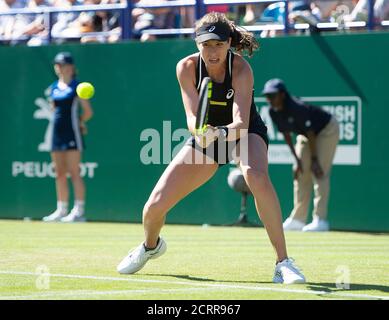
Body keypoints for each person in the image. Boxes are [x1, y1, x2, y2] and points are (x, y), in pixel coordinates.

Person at [117, 12, 305, 284]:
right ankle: (150, 246)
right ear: (197, 44)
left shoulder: (241, 69)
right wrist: (201, 134)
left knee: (256, 177)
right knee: (153, 207)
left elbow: (240, 122)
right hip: (206, 137)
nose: (212, 51)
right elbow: (192, 118)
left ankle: (283, 263)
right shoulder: (186, 68)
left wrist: (220, 132)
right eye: (206, 44)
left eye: (218, 44)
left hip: (244, 132)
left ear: (229, 43)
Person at [263, 79, 339, 232]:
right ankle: (298, 219)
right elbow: (286, 135)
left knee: (319, 172)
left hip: (326, 130)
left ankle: (320, 220)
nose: (269, 99)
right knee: (300, 172)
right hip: (305, 136)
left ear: (282, 95)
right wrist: (297, 160)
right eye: (267, 96)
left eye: (273, 95)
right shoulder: (273, 111)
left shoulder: (297, 108)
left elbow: (311, 133)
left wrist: (315, 160)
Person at [42, 52, 93, 223]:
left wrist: (79, 122)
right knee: (59, 173)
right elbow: (54, 110)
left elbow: (88, 112)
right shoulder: (54, 87)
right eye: (57, 65)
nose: (60, 68)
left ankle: (78, 211)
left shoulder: (77, 87)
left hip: (72, 133)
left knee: (74, 172)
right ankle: (61, 209)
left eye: (63, 64)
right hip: (56, 133)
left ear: (71, 67)